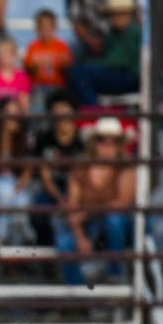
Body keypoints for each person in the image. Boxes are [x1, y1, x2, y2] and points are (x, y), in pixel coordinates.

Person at [54, 116, 134, 285]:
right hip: (88, 223)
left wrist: (88, 210)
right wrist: (80, 236)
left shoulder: (126, 166)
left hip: (108, 224)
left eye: (114, 141)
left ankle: (115, 274)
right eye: (102, 140)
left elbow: (123, 202)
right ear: (94, 143)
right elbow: (73, 205)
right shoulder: (81, 166)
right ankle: (79, 297)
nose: (107, 146)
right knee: (65, 244)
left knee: (115, 219)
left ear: (120, 145)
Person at [67, 0, 141, 106]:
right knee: (79, 72)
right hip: (119, 75)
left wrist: (91, 65)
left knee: (80, 73)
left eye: (120, 13)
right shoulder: (113, 33)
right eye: (112, 14)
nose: (115, 17)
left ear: (129, 14)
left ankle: (93, 112)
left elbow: (118, 62)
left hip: (129, 77)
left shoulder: (133, 33)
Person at [33, 92, 83, 245]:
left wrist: (71, 199)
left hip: (79, 191)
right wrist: (60, 199)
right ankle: (45, 256)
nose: (60, 114)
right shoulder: (43, 139)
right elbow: (45, 177)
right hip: (52, 191)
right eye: (56, 109)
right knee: (40, 211)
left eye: (64, 109)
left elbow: (83, 176)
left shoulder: (82, 141)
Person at [0, 98, 35, 247]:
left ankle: (15, 247)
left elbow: (27, 168)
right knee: (6, 193)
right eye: (7, 113)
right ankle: (1, 241)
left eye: (14, 113)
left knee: (21, 202)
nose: (10, 118)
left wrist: (23, 180)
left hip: (15, 183)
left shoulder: (25, 139)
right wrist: (4, 134)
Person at [23, 9, 72, 110]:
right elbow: (28, 69)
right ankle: (39, 125)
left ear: (54, 28)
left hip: (57, 85)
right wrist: (35, 66)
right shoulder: (33, 46)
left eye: (48, 26)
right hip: (38, 86)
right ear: (36, 28)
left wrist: (64, 64)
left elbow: (67, 69)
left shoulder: (61, 46)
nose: (45, 29)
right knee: (38, 106)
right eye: (41, 27)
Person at [0, 35, 31, 111]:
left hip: (17, 115)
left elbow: (24, 103)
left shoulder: (22, 77)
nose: (2, 57)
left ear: (14, 55)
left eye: (6, 53)